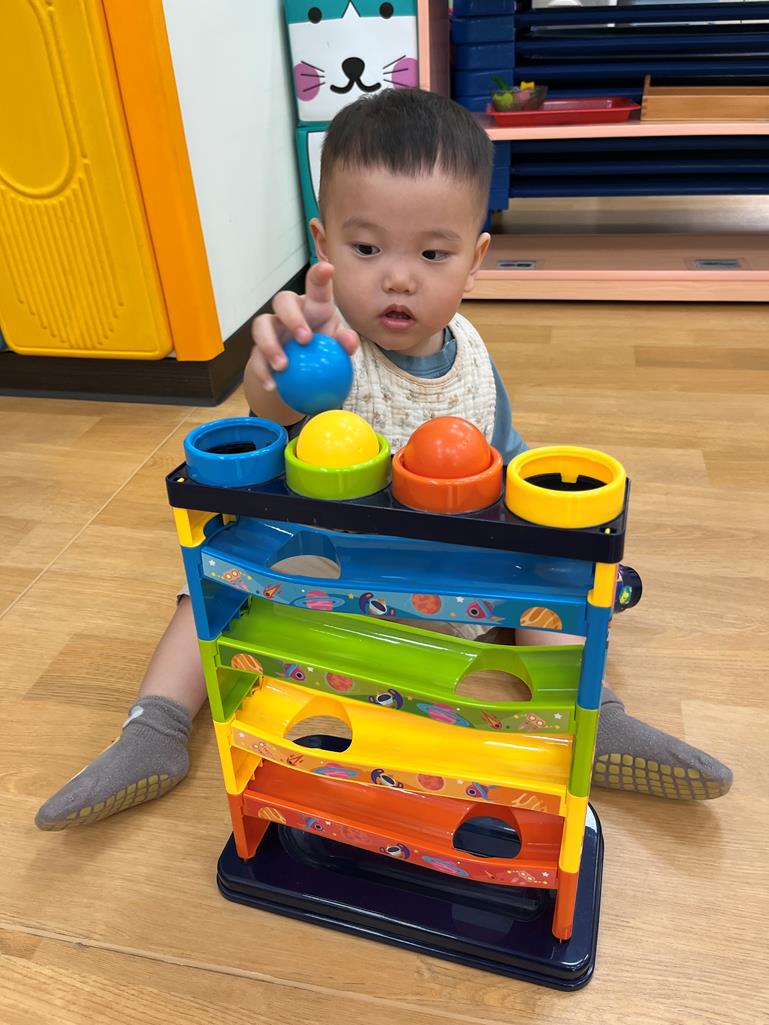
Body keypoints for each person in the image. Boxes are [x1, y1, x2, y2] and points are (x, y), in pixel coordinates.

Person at [35, 90, 731, 831]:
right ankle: (155, 729)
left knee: (556, 582)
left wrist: (554, 534)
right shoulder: (326, 348)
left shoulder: (474, 354)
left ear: (475, 260)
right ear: (324, 245)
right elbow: (270, 416)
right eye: (366, 249)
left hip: (451, 586)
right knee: (205, 589)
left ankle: (600, 720)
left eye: (432, 254)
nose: (399, 277)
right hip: (325, 579)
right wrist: (273, 375)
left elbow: (504, 453)